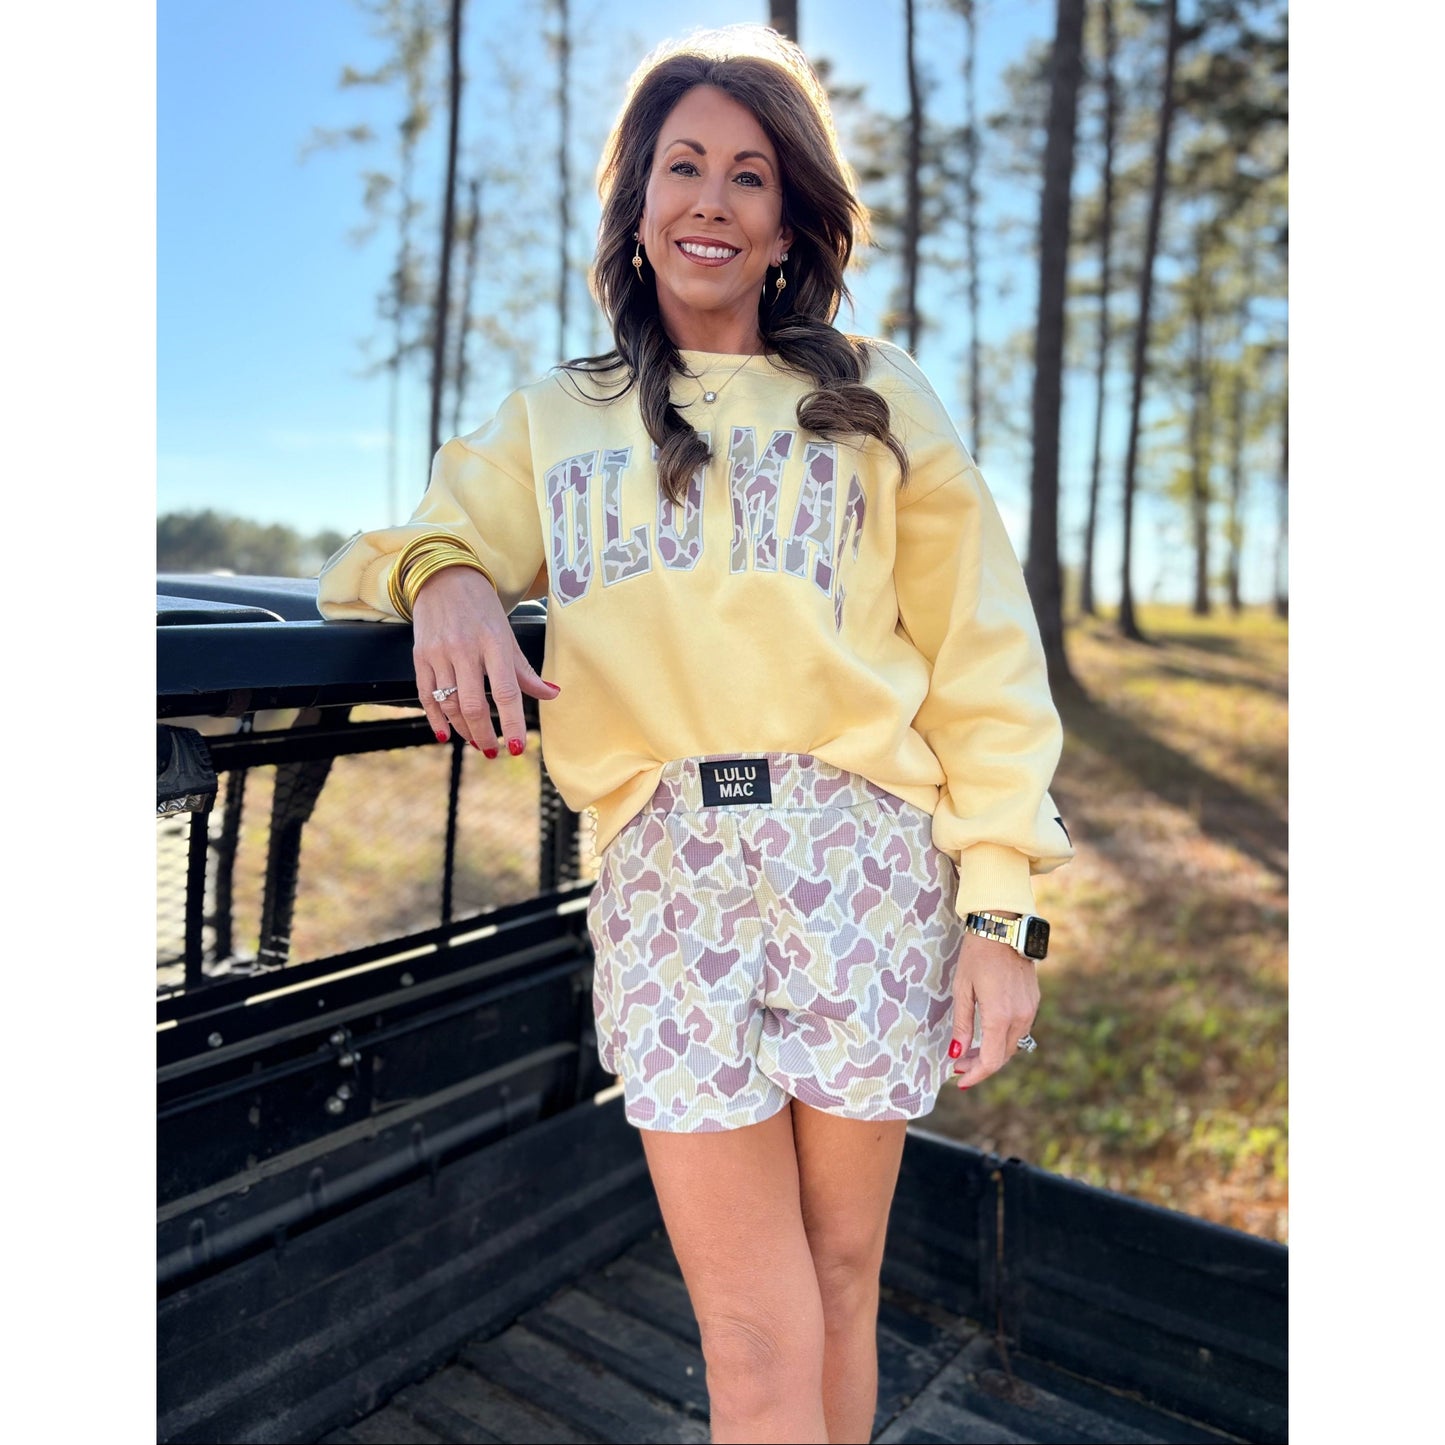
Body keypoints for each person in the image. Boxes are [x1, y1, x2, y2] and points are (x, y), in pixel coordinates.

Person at [318, 24, 1073, 1444]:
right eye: (682, 167)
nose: (710, 202)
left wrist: (1002, 911)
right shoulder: (558, 415)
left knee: (841, 1281)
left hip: (861, 859)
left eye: (747, 174)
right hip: (663, 878)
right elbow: (390, 546)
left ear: (789, 219)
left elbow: (982, 657)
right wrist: (453, 576)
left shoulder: (876, 395)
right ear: (637, 196)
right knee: (748, 1323)